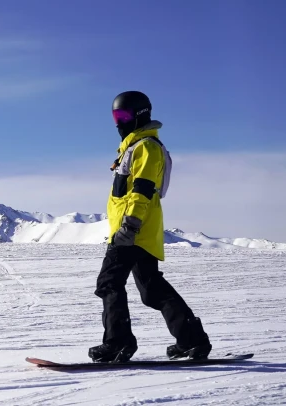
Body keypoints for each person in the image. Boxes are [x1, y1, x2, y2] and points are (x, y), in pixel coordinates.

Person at [88, 91, 212, 363]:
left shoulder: (146, 147)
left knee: (109, 283)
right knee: (151, 290)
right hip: (139, 231)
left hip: (132, 231)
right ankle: (191, 340)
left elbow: (142, 190)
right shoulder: (134, 147)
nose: (119, 123)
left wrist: (129, 225)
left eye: (124, 116)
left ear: (140, 115)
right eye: (116, 117)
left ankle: (118, 343)